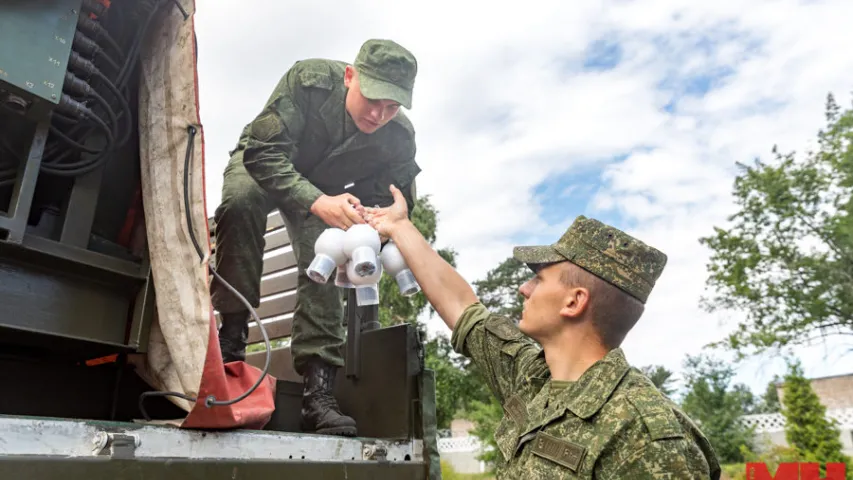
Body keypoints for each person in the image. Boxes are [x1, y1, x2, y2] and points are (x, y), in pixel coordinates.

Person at [363, 185, 722, 479]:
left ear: (574, 301)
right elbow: (461, 306)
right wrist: (399, 227)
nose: (524, 289)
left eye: (539, 278)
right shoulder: (531, 376)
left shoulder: (646, 436)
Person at [211, 39, 420, 437]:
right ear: (350, 76)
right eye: (373, 98)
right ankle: (231, 340)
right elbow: (262, 153)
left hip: (327, 189)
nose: (379, 114)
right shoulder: (309, 81)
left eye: (392, 106)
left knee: (335, 246)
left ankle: (318, 393)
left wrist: (370, 218)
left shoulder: (399, 137)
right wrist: (316, 200)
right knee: (239, 203)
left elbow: (391, 202)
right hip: (266, 160)